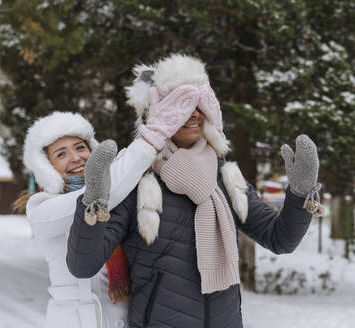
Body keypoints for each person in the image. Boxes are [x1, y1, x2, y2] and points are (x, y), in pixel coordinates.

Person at [66, 54, 325, 328]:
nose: (193, 113)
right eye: (180, 104)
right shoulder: (137, 182)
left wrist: (299, 193)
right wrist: (92, 201)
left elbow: (280, 239)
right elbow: (83, 265)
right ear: (157, 114)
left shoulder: (224, 177)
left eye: (199, 103)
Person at [17, 108, 198, 328]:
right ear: (46, 167)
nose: (75, 158)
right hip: (77, 320)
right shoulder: (41, 208)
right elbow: (93, 200)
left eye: (80, 147)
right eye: (61, 154)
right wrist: (148, 141)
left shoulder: (120, 198)